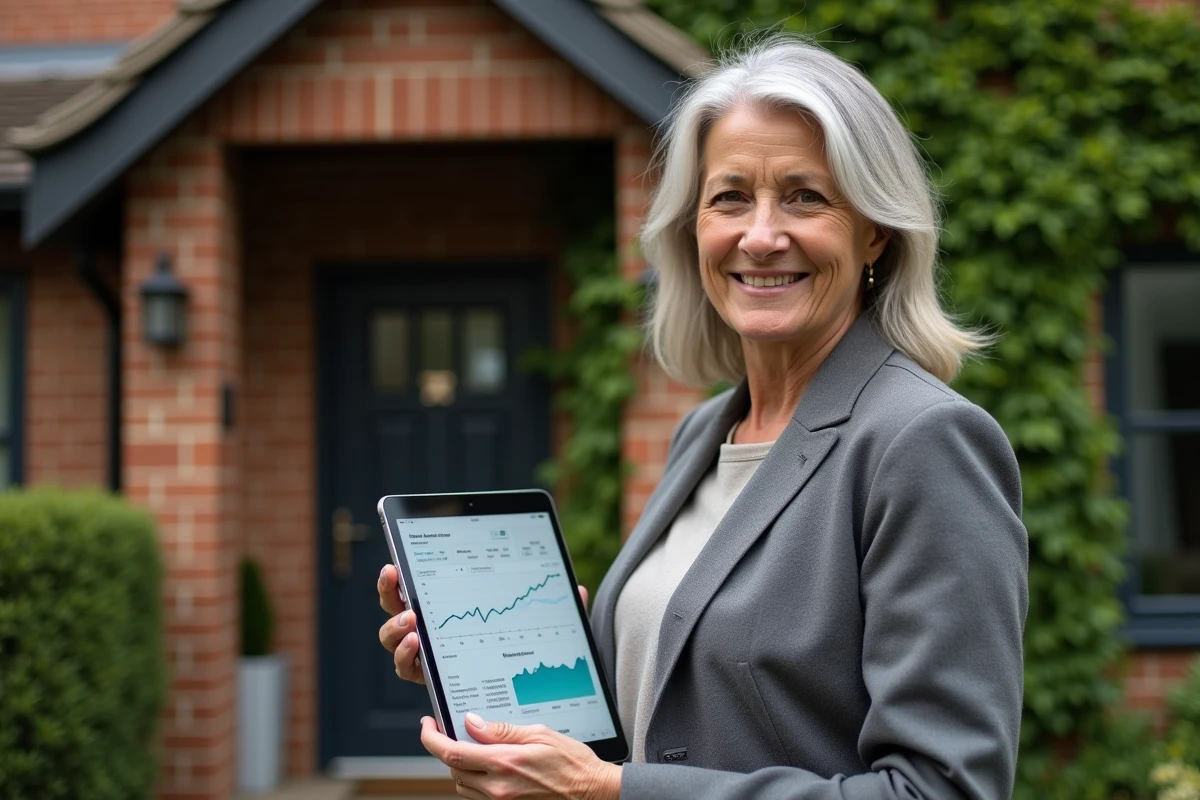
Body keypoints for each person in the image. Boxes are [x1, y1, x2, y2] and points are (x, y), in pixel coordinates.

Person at [377, 34, 1028, 800]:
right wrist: (505, 657)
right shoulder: (708, 431)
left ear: (875, 230)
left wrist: (612, 793)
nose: (759, 235)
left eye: (804, 196)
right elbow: (691, 702)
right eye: (729, 198)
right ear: (694, 230)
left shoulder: (921, 442)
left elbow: (939, 792)